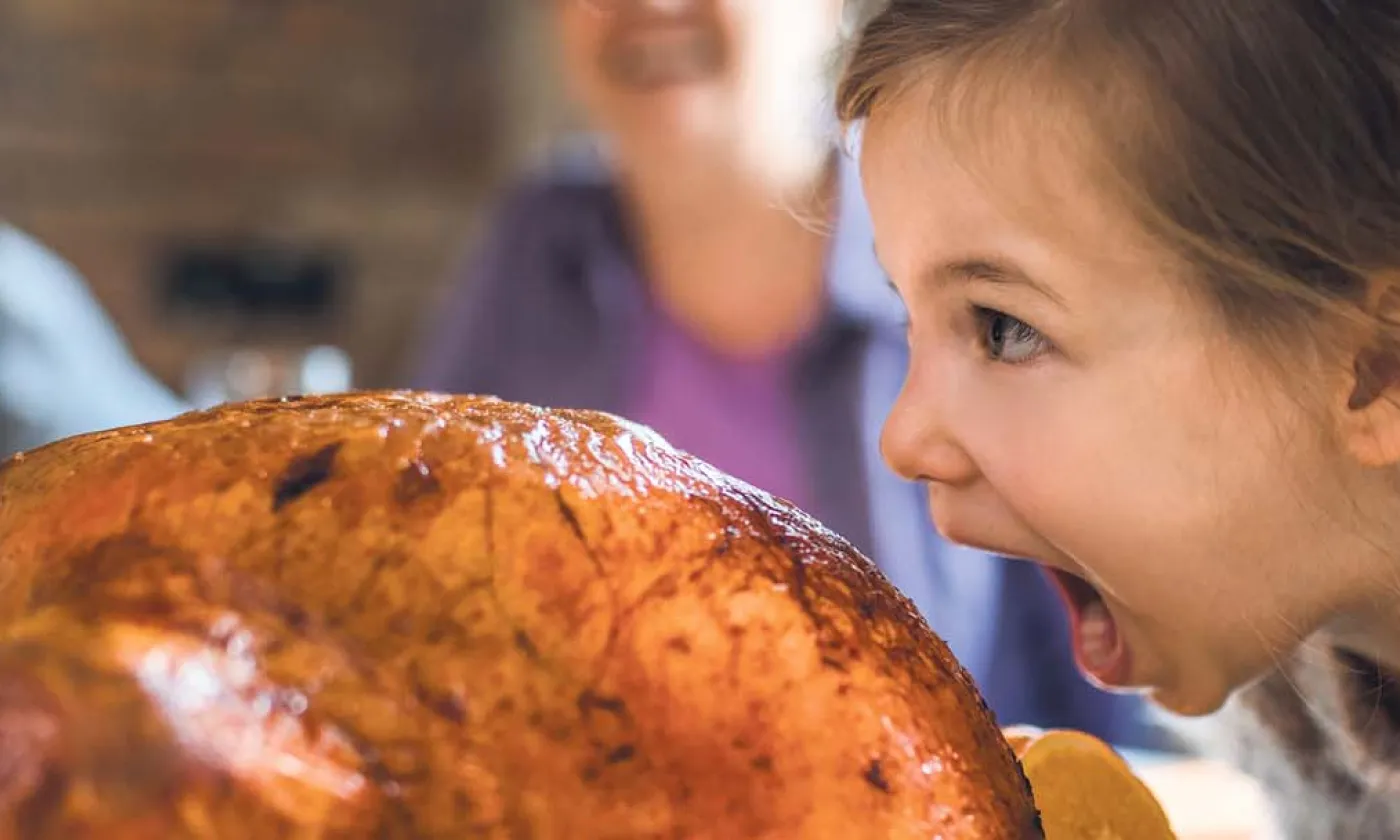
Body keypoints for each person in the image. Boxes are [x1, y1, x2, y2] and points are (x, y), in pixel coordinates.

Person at [411, 0, 1157, 747]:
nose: (650, 7)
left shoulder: (983, 255)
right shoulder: (535, 250)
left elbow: (1140, 727)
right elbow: (422, 604)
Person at [840, 0, 1400, 834]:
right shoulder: (1284, 685)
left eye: (1006, 328)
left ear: (1372, 373)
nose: (902, 439)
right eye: (907, 318)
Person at [0, 224, 187, 455]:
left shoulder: (14, 282)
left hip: (131, 458)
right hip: (130, 445)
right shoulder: (21, 262)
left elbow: (28, 406)